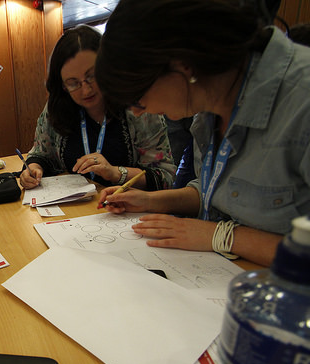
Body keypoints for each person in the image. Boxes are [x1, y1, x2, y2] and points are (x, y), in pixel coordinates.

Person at [95, 0, 310, 266]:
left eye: (138, 99)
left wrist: (221, 236)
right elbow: (221, 193)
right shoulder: (210, 102)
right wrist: (149, 200)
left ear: (182, 65)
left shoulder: (302, 99)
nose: (138, 113)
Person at [19, 25, 176, 191]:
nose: (86, 90)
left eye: (92, 76)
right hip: (78, 209)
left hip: (129, 210)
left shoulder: (139, 107)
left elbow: (165, 176)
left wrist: (116, 173)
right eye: (73, 83)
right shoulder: (57, 108)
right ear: (62, 85)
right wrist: (33, 168)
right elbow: (42, 154)